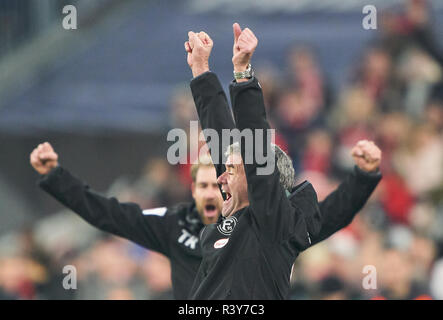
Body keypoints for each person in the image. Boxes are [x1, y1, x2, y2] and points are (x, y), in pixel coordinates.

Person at [186, 25, 382, 299]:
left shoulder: (276, 227)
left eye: (230, 170)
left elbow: (255, 152)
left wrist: (243, 74)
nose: (220, 178)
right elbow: (222, 140)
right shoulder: (233, 217)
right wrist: (200, 70)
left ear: (261, 181)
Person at [30, 145, 221, 299]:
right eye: (204, 186)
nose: (210, 194)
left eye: (217, 186)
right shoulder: (174, 223)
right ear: (194, 190)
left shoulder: (245, 225)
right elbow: (109, 213)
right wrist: (55, 177)